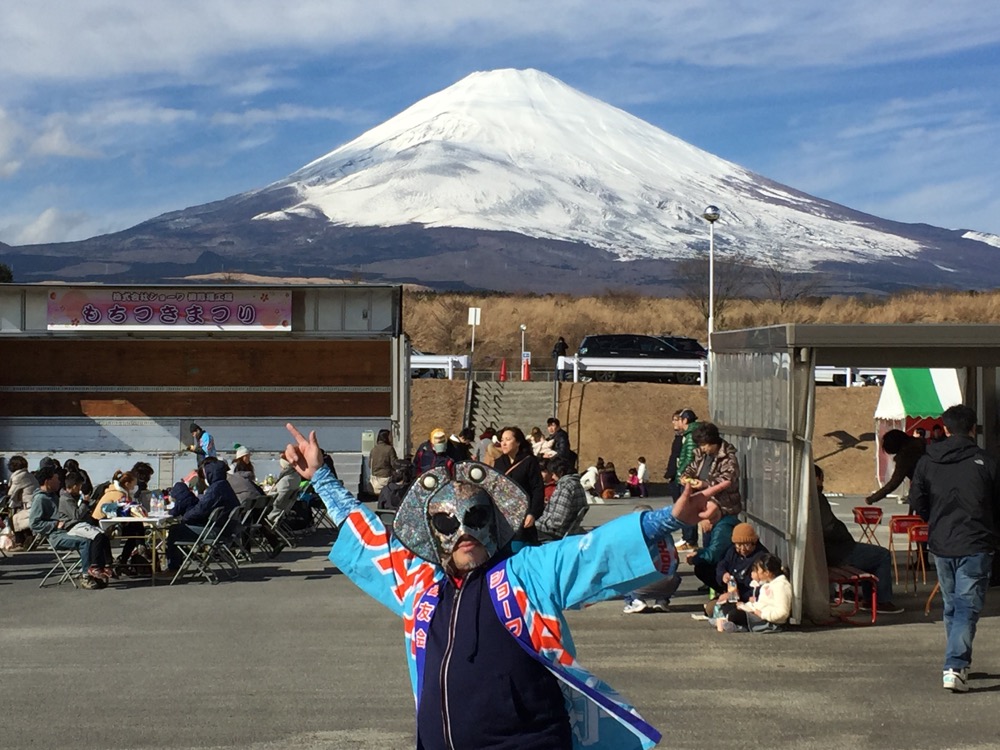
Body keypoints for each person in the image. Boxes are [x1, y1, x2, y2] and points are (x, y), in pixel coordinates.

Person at [283, 421, 721, 749]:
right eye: (446, 522)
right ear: (432, 534)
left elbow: (591, 551)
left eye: (475, 517)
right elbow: (371, 539)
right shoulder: (421, 586)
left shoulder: (526, 573)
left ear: (493, 521)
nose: (463, 530)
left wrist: (669, 519)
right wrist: (320, 477)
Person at [908, 403, 999, 693]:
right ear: (973, 429)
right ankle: (955, 665)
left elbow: (917, 499)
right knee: (966, 608)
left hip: (942, 542)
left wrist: (933, 520)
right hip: (976, 542)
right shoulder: (986, 462)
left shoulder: (927, 461)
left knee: (952, 606)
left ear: (945, 429)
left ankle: (956, 662)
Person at [816, 465, 904, 614]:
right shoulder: (817, 498)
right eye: (821, 480)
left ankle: (870, 599)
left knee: (869, 555)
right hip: (839, 550)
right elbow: (828, 527)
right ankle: (881, 600)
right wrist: (841, 530)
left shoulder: (807, 498)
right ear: (817, 479)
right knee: (882, 555)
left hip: (829, 550)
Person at [29, 465, 112, 588]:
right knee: (85, 542)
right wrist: (55, 524)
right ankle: (86, 576)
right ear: (48, 481)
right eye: (56, 479)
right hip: (55, 535)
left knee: (95, 538)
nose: (59, 481)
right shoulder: (41, 499)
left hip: (65, 529)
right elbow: (34, 524)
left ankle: (98, 569)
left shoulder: (53, 496)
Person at [164, 458, 240, 573]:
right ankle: (176, 565)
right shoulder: (224, 486)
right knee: (181, 529)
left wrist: (185, 517)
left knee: (175, 531)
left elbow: (201, 509)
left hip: (217, 531)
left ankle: (173, 568)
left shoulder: (215, 489)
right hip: (227, 529)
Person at [623, 504, 684, 614]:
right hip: (670, 581)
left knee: (620, 570)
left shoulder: (636, 536)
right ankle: (662, 600)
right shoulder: (667, 535)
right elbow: (675, 561)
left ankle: (635, 601)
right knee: (670, 571)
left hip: (644, 584)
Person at [494, 426, 545, 545]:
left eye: (508, 439)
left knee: (520, 548)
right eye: (502, 440)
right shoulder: (499, 462)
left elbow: (537, 489)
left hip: (523, 515)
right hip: (503, 517)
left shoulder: (529, 461)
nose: (504, 443)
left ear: (518, 442)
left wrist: (532, 513)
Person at [716, 554, 792, 633]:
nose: (756, 573)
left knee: (735, 615)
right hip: (758, 613)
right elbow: (759, 604)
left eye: (758, 570)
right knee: (729, 606)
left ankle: (734, 624)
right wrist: (745, 606)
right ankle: (731, 623)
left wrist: (762, 614)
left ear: (767, 573)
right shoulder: (766, 584)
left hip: (768, 620)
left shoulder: (781, 585)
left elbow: (783, 613)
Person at [866, 428, 925, 505]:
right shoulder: (920, 444)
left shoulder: (905, 456)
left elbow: (894, 483)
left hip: (929, 488)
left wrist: (873, 498)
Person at [535, 456, 588, 542]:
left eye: (553, 474)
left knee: (521, 532)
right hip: (565, 530)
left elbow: (557, 521)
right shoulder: (576, 484)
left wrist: (537, 524)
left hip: (554, 533)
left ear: (560, 472)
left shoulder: (565, 487)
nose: (552, 477)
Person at [673, 409, 701, 551]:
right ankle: (688, 538)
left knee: (687, 508)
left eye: (679, 419)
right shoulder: (690, 434)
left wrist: (680, 473)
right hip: (688, 476)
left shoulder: (691, 436)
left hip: (688, 478)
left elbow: (689, 458)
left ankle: (690, 540)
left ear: (685, 420)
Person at [6, 455, 40, 549]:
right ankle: (28, 541)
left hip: (30, 506)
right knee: (20, 518)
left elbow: (10, 493)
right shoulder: (28, 474)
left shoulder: (18, 477)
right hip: (35, 505)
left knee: (13, 519)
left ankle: (19, 542)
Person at [369, 429, 398, 495]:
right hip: (386, 478)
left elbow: (369, 464)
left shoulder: (373, 449)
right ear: (386, 437)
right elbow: (394, 464)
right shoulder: (389, 449)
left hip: (375, 478)